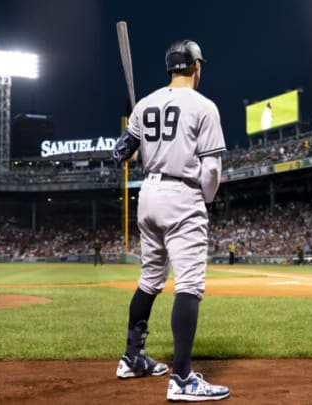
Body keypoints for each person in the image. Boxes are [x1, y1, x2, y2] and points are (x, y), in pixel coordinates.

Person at [112, 39, 229, 401]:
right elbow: (211, 168)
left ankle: (132, 358)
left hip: (147, 195)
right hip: (182, 194)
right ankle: (181, 379)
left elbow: (121, 151)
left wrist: (127, 141)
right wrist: (204, 200)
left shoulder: (145, 103)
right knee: (189, 285)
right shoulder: (203, 105)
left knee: (150, 280)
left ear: (169, 69)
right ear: (195, 67)